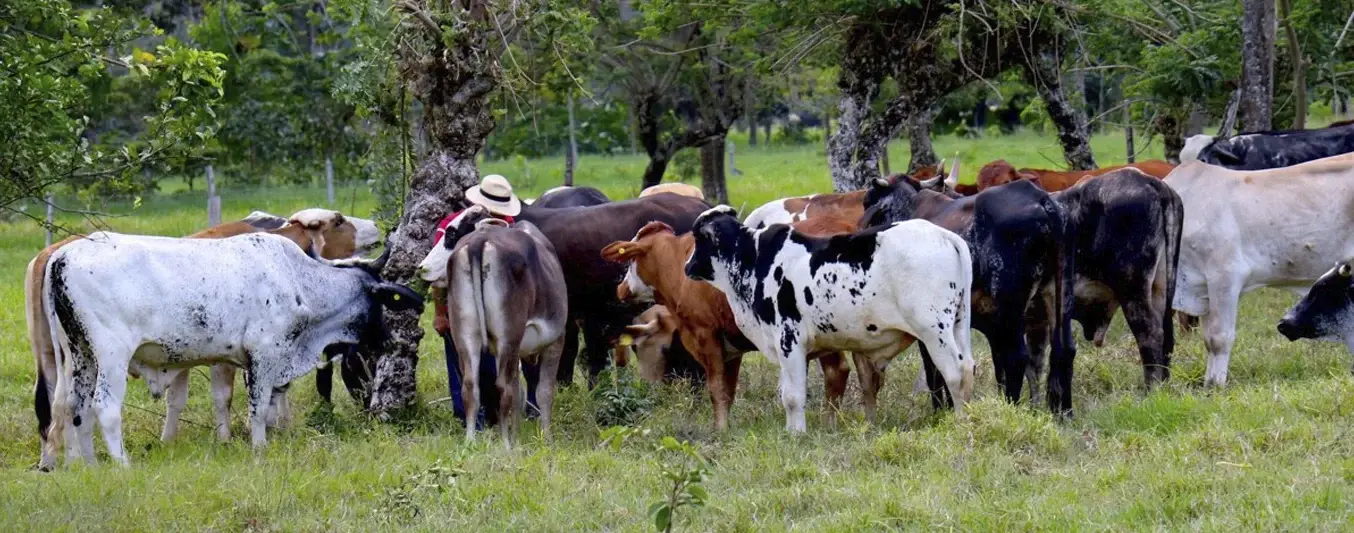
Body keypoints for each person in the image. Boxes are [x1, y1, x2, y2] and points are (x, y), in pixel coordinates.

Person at [431, 174, 539, 426]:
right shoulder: (453, 227)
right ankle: (469, 416)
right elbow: (439, 272)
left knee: (493, 363)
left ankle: (495, 413)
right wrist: (440, 313)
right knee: (466, 360)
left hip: (501, 309)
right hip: (464, 307)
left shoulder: (512, 227)